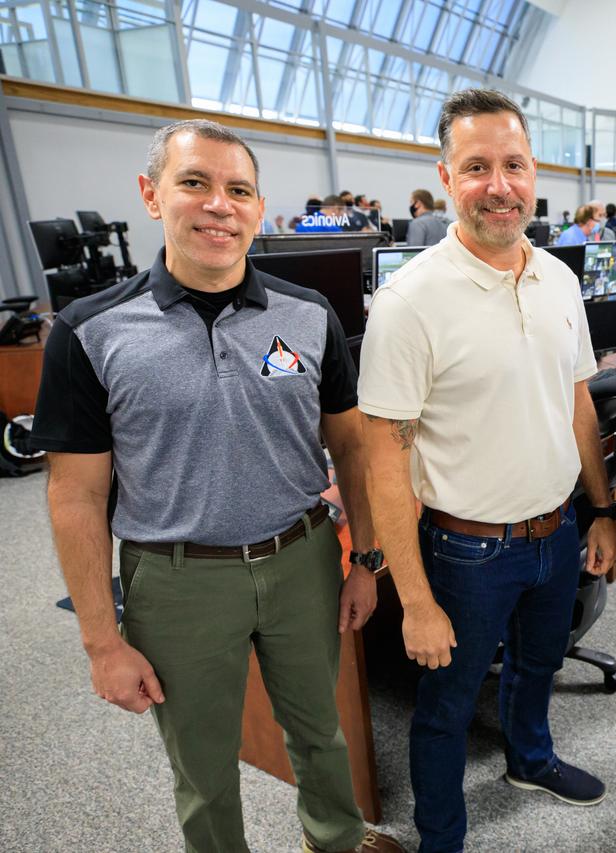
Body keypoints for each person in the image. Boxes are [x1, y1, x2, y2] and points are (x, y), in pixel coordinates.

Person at [28, 119, 402, 853]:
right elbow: (73, 495)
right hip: (176, 579)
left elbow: (351, 444)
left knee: (319, 732)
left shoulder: (307, 315)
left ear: (260, 209)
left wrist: (367, 558)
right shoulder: (91, 329)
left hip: (303, 559)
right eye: (194, 182)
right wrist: (102, 641)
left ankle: (334, 838)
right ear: (150, 194)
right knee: (202, 764)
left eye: (238, 190)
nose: (218, 205)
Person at [358, 88, 616, 853]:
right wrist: (413, 599)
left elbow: (576, 403)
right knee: (444, 701)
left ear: (535, 171)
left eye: (513, 164)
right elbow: (385, 458)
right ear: (446, 177)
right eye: (477, 167)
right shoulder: (410, 302)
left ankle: (530, 760)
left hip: (556, 530)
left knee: (536, 665)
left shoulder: (559, 279)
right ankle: (441, 836)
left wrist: (600, 510)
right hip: (467, 550)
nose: (498, 185)